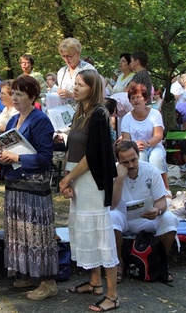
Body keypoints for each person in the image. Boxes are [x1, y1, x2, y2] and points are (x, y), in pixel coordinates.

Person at [59, 70, 120, 312]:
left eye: (81, 85)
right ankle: (95, 282)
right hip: (77, 176)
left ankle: (113, 295)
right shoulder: (80, 112)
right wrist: (66, 178)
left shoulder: (98, 115)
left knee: (100, 235)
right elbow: (72, 150)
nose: (75, 88)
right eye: (75, 84)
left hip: (91, 179)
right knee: (84, 230)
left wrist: (70, 178)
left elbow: (93, 155)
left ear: (92, 88)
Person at [0, 75, 58, 301]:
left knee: (37, 234)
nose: (14, 98)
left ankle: (48, 282)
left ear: (32, 97)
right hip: (15, 183)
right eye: (13, 93)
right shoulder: (13, 121)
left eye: (19, 94)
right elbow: (10, 150)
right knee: (19, 232)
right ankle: (29, 273)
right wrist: (4, 158)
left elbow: (44, 157)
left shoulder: (41, 120)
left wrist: (16, 156)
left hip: (34, 187)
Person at [110, 141, 178, 284]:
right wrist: (119, 179)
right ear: (118, 161)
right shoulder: (113, 172)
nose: (130, 165)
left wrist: (157, 210)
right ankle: (118, 263)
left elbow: (161, 201)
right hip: (122, 216)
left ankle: (159, 263)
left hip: (146, 216)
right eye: (125, 162)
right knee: (110, 217)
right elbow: (112, 205)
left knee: (170, 219)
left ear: (138, 155)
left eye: (133, 160)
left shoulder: (151, 171)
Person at [120, 83, 170, 195]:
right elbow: (125, 139)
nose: (136, 100)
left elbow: (158, 135)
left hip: (153, 145)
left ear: (145, 99)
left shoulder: (155, 114)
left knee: (157, 157)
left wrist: (147, 143)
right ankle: (143, 191)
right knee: (140, 159)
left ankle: (165, 189)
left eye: (139, 97)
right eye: (133, 98)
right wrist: (134, 146)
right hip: (135, 148)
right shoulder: (126, 118)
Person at [56, 38, 96, 106]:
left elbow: (95, 93)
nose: (66, 59)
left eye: (69, 56)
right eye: (63, 56)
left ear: (78, 53)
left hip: (84, 110)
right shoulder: (62, 72)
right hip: (65, 112)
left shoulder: (88, 69)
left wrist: (72, 95)